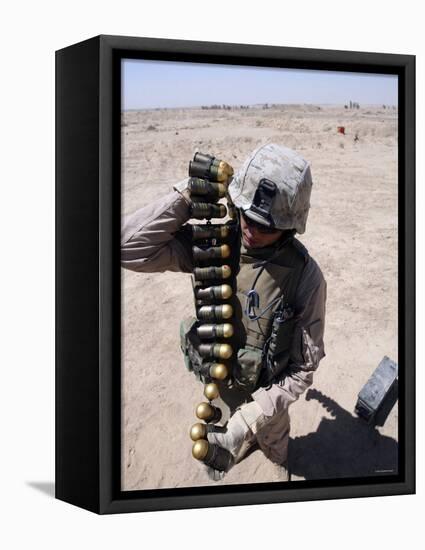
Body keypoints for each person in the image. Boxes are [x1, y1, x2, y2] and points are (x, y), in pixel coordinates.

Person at [121, 143, 327, 480]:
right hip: (223, 382)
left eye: (266, 226)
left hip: (269, 398)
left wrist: (249, 420)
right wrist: (190, 195)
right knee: (220, 436)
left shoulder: (306, 277)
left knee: (276, 450)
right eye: (247, 215)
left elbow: (303, 368)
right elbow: (129, 248)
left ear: (289, 227)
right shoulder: (215, 243)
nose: (251, 231)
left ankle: (276, 460)